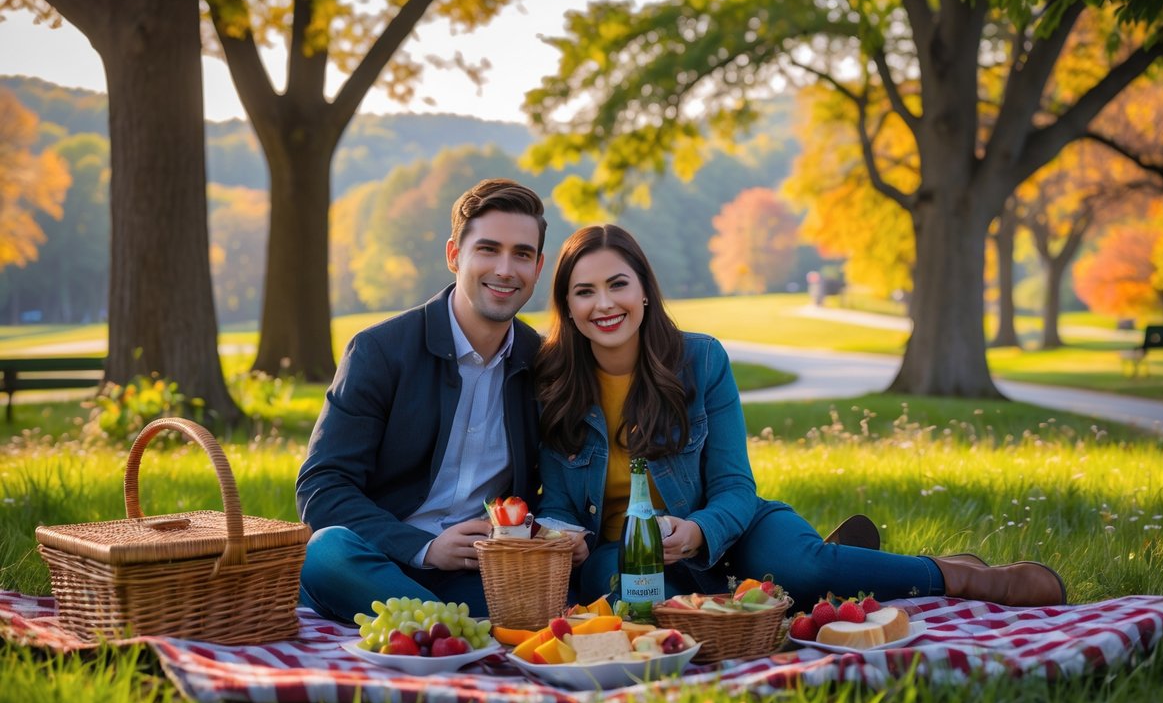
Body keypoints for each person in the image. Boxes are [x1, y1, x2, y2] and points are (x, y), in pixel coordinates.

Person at [534, 224, 1066, 608]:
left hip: (731, 528)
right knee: (636, 599)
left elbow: (736, 487)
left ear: (645, 291)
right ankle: (777, 593)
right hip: (623, 554)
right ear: (568, 305)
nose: (604, 303)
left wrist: (696, 532)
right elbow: (557, 503)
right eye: (585, 291)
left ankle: (962, 576)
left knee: (806, 568)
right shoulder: (556, 383)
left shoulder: (699, 360)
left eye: (617, 284)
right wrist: (563, 537)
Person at [295, 178, 548, 622]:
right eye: (488, 249)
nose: (506, 269)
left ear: (538, 266)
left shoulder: (543, 364)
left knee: (542, 597)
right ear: (454, 255)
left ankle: (429, 628)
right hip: (380, 557)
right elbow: (322, 487)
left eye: (521, 254)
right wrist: (425, 548)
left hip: (482, 571)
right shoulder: (380, 351)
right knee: (327, 552)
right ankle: (459, 632)